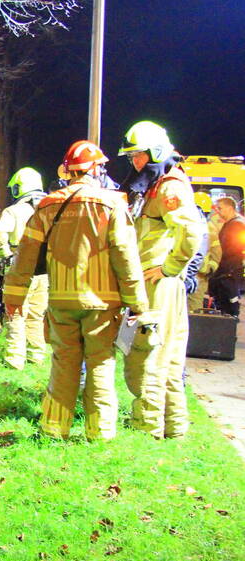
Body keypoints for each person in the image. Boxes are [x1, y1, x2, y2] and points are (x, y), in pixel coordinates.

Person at [4, 140, 148, 441]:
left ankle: (54, 428)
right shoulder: (112, 205)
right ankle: (100, 433)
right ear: (95, 169)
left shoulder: (47, 205)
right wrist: (137, 303)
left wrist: (14, 297)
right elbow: (126, 256)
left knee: (63, 364)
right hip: (102, 302)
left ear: (68, 170)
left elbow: (26, 255)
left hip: (61, 299)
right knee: (100, 365)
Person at [118, 120, 205, 439]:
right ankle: (173, 427)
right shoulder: (154, 184)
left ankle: (147, 426)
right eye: (132, 157)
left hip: (156, 285)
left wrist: (169, 267)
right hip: (150, 283)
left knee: (146, 353)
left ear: (155, 152)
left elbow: (191, 231)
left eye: (139, 155)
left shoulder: (169, 185)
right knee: (162, 356)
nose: (135, 162)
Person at [0, 167, 49, 369]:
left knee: (15, 313)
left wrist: (5, 255)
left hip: (20, 267)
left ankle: (14, 359)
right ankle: (36, 356)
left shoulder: (14, 211)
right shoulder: (49, 209)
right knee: (37, 314)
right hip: (44, 270)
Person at [187, 192, 224, 311]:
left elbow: (216, 253)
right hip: (191, 271)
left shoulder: (210, 228)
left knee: (193, 307)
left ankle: (192, 328)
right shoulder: (203, 226)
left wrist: (208, 269)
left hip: (199, 274)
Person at [209, 197, 245, 318]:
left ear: (230, 208)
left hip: (230, 272)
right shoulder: (231, 223)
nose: (217, 211)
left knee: (230, 304)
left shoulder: (237, 225)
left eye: (220, 208)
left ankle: (229, 328)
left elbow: (234, 249)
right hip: (226, 271)